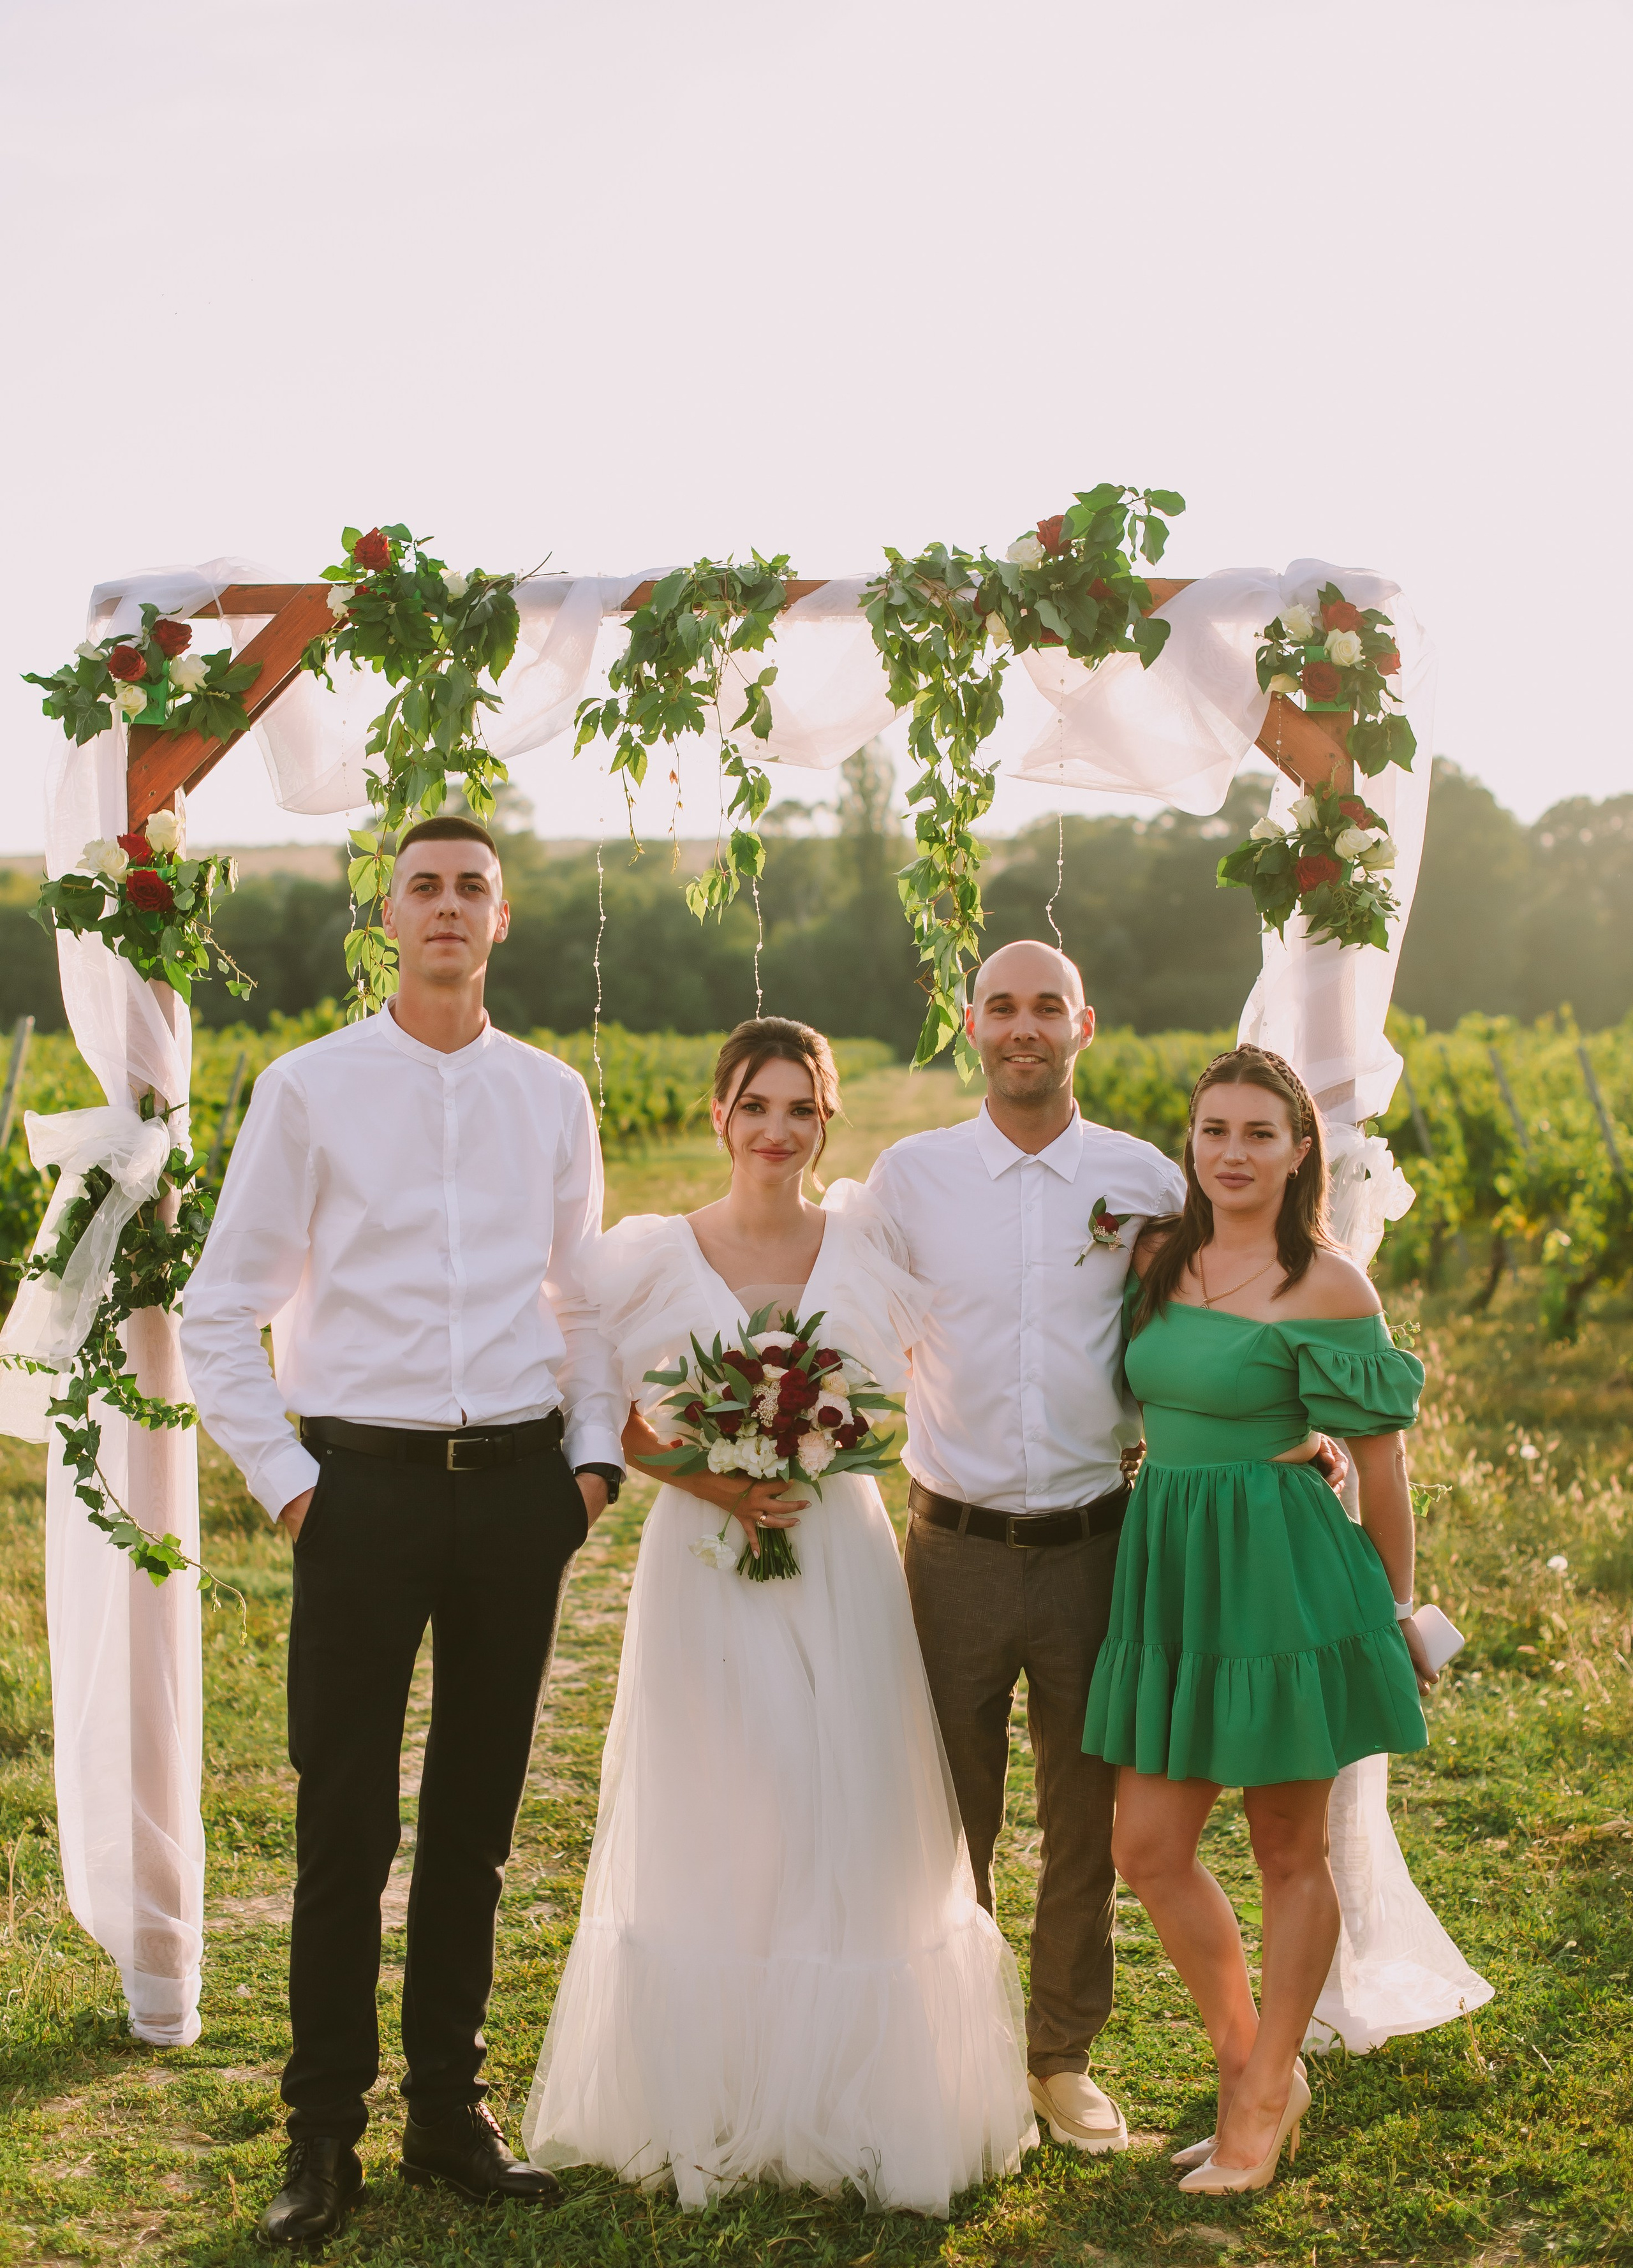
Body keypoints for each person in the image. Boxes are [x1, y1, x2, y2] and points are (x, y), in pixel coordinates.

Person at [182, 816, 625, 2248]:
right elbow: (217, 1308)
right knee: (340, 1823)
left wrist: (591, 1469)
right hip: (356, 1492)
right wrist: (290, 1481)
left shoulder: (552, 1094)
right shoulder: (309, 1089)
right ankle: (323, 2132)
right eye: (424, 886)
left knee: (476, 1826)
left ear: (503, 920)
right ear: (389, 915)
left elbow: (586, 1299)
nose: (447, 906)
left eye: (472, 888)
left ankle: (449, 2112)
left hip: (513, 1489)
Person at [522, 1017, 1035, 2216]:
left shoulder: (859, 1245)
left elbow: (892, 1392)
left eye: (801, 1109)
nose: (777, 1131)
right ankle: (718, 2084)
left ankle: (851, 2092)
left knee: (841, 1788)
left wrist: (814, 1450)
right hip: (708, 1549)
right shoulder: (653, 1256)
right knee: (724, 1791)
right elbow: (616, 1417)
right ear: (720, 1114)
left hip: (836, 1545)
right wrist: (723, 1481)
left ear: (824, 1122)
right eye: (756, 1106)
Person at [863, 939, 1208, 2155]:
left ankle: (1059, 2057)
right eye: (1001, 1006)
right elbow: (847, 1325)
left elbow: (1205, 1325)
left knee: (1086, 1812)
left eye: (1045, 1007)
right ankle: (946, 2045)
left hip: (1093, 1545)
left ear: (1084, 1025)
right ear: (971, 1024)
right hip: (947, 1544)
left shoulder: (1145, 1180)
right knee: (942, 1810)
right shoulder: (910, 1177)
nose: (1024, 1026)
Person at [1082, 1045, 1437, 2195]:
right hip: (1173, 1567)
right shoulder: (1159, 1257)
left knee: (1288, 1849)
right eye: (1214, 1131)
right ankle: (1253, 2064)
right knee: (1147, 1846)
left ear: (1299, 1153)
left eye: (1258, 1135)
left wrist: (1391, 1610)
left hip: (1284, 1574)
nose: (1232, 1153)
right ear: (1191, 1142)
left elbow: (1382, 1473)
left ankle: (1266, 2088)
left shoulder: (1331, 1286)